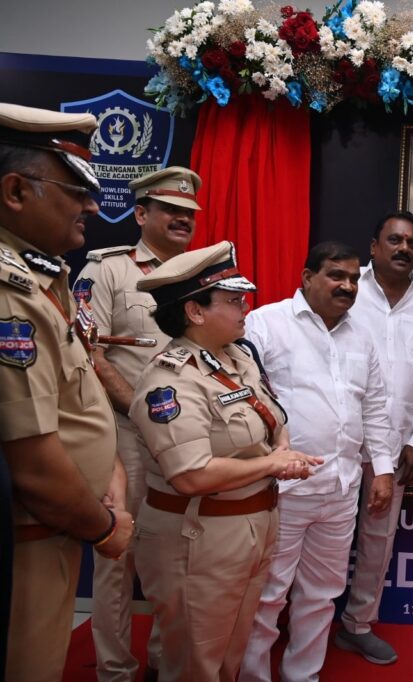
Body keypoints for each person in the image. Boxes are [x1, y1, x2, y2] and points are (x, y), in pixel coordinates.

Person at [128, 241, 321, 682]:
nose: (244, 308)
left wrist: (281, 447)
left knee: (228, 656)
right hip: (198, 538)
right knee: (195, 662)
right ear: (194, 312)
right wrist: (273, 465)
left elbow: (272, 418)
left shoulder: (237, 355)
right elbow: (191, 474)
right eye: (233, 300)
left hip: (250, 529)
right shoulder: (170, 382)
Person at [0, 102, 134, 681]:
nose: (93, 206)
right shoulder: (9, 292)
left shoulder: (44, 275)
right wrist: (105, 527)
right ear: (14, 191)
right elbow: (31, 463)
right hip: (28, 539)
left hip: (60, 524)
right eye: (75, 190)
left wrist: (110, 474)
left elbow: (75, 402)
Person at [240, 242, 395, 681]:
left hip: (341, 489)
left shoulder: (362, 336)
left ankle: (302, 675)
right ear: (308, 277)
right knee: (268, 594)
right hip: (283, 490)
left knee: (322, 594)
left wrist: (383, 469)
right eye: (335, 275)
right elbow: (243, 394)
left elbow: (375, 408)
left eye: (353, 279)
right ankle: (252, 676)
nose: (347, 286)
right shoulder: (266, 323)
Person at [76, 165, 202, 682]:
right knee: (118, 557)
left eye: (189, 212)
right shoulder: (107, 271)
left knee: (175, 557)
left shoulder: (201, 274)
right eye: (170, 209)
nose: (182, 218)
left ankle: (162, 662)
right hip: (127, 437)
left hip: (188, 441)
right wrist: (139, 412)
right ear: (141, 213)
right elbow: (89, 355)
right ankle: (115, 670)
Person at [334, 210, 413, 664]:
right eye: (395, 240)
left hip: (396, 446)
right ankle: (298, 617)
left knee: (378, 540)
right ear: (374, 246)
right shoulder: (348, 289)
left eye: (411, 243)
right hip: (340, 438)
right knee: (320, 532)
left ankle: (357, 625)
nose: (404, 248)